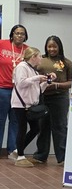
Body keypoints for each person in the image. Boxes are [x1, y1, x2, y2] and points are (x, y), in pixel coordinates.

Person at [35, 36, 72, 165]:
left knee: (60, 127)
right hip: (42, 98)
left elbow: (71, 82)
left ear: (59, 47)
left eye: (54, 46)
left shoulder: (67, 63)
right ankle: (40, 156)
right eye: (49, 46)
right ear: (46, 47)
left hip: (60, 98)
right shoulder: (39, 61)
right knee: (42, 127)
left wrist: (57, 85)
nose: (52, 49)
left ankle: (62, 158)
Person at [11, 47, 50, 166]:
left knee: (35, 128)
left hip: (29, 104)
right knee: (22, 128)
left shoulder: (33, 70)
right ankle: (20, 156)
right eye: (39, 56)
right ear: (33, 57)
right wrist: (37, 78)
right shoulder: (22, 67)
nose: (41, 59)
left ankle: (18, 150)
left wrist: (47, 82)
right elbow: (21, 83)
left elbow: (37, 89)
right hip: (20, 104)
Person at [0, 24, 28, 156]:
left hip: (19, 91)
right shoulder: (2, 44)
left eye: (22, 34)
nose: (19, 36)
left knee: (15, 121)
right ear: (12, 34)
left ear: (25, 36)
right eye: (17, 33)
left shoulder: (27, 50)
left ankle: (13, 150)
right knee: (0, 120)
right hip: (2, 89)